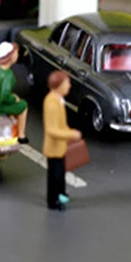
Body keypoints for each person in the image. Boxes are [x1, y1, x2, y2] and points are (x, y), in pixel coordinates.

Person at [42, 70, 82, 211]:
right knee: (55, 175)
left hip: (60, 146)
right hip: (54, 147)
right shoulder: (52, 104)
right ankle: (53, 201)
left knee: (60, 173)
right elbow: (51, 130)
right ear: (58, 85)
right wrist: (70, 134)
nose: (69, 86)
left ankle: (61, 194)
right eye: (67, 83)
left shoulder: (58, 100)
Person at [0, 41, 29, 144]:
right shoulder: (7, 75)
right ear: (10, 56)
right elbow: (4, 96)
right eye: (16, 53)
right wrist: (14, 99)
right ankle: (21, 135)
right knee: (23, 106)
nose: (17, 55)